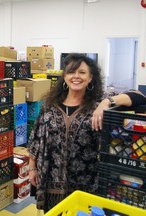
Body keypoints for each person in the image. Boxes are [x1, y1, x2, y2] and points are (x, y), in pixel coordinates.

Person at [27, 53, 146, 213]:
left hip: (87, 183)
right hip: (51, 181)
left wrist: (106, 103)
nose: (76, 76)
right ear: (65, 76)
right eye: (71, 72)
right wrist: (32, 168)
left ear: (91, 78)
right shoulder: (50, 105)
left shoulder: (100, 103)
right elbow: (36, 138)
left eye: (82, 72)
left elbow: (139, 97)